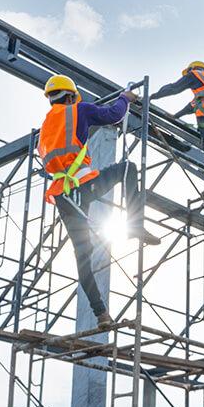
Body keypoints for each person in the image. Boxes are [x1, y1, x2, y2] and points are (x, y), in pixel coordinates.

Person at [38, 74, 162, 328]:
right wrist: (124, 98)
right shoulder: (78, 109)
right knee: (128, 168)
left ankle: (101, 315)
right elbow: (112, 116)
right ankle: (134, 224)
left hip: (63, 195)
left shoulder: (46, 126)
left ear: (51, 99)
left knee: (82, 257)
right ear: (71, 96)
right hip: (82, 184)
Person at [153, 61, 204, 197]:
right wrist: (176, 116)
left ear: (192, 69)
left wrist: (152, 96)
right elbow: (192, 105)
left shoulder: (194, 75)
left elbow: (174, 88)